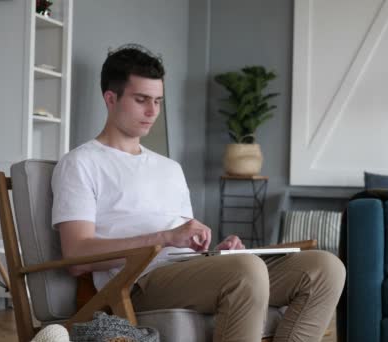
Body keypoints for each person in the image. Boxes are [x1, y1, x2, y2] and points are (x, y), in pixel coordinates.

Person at [51, 43, 345, 342]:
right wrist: (165, 238)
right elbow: (77, 257)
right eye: (141, 100)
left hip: (187, 269)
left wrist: (215, 251)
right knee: (245, 271)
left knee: (325, 268)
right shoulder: (81, 163)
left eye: (158, 100)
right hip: (138, 282)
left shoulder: (169, 167)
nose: (152, 111)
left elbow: (184, 245)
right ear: (111, 98)